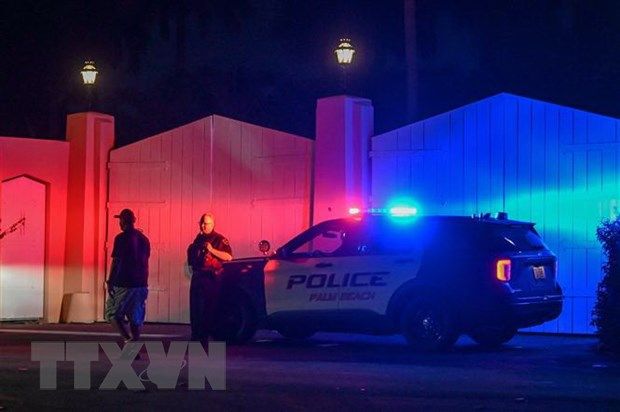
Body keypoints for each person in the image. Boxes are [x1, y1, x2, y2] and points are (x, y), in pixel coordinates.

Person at [105, 208, 150, 342]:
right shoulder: (144, 239)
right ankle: (134, 341)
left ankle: (127, 339)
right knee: (135, 317)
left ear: (122, 221)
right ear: (134, 220)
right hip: (141, 283)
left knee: (112, 314)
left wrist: (110, 281)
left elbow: (116, 261)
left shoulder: (120, 238)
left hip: (123, 283)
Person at [187, 212, 233, 342]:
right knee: (196, 309)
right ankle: (196, 336)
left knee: (209, 308)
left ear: (212, 224)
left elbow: (228, 257)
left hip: (211, 279)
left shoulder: (219, 239)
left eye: (206, 223)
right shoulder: (198, 240)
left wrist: (212, 250)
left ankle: (206, 336)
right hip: (198, 278)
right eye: (201, 223)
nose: (203, 226)